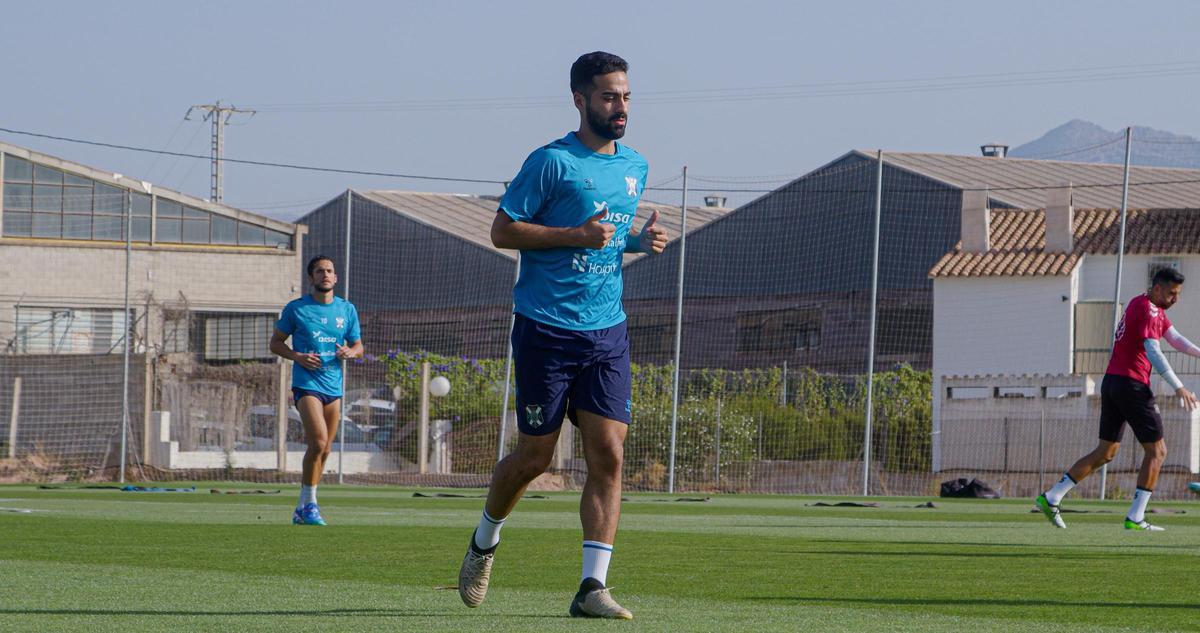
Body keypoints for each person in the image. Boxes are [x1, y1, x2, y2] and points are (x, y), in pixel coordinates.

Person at [457, 51, 668, 620]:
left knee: (610, 453)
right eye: (607, 96)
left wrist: (636, 244)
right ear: (580, 99)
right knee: (534, 457)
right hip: (546, 329)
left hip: (607, 331)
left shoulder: (637, 166)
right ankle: (484, 541)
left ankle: (591, 587)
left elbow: (607, 235)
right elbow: (502, 231)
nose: (619, 106)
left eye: (625, 95)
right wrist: (574, 233)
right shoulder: (550, 162)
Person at [1036, 267, 1198, 530]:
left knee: (1106, 451)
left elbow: (1175, 338)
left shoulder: (1145, 305)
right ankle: (1136, 517)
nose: (1175, 299)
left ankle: (1052, 496)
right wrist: (1179, 386)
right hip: (1132, 386)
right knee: (1157, 451)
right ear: (1157, 289)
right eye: (1171, 293)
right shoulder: (1148, 309)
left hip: (1112, 382)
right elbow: (1154, 351)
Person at [271, 255, 363, 526]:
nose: (325, 274)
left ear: (335, 278)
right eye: (320, 271)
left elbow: (359, 346)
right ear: (311, 278)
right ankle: (310, 505)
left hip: (333, 386)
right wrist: (297, 356)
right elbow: (275, 343)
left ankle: (303, 506)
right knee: (319, 442)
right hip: (306, 385)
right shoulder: (297, 309)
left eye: (330, 271)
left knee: (325, 451)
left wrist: (350, 351)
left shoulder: (346, 310)